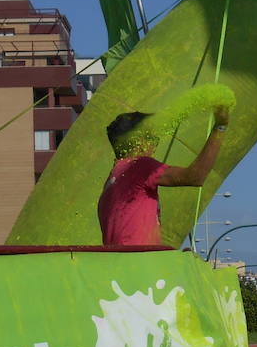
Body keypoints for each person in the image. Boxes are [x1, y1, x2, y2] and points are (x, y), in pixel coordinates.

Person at [98, 105, 230, 246]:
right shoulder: (140, 166)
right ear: (139, 143)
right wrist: (220, 127)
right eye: (152, 137)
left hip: (122, 263)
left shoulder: (111, 180)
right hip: (141, 263)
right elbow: (196, 176)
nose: (155, 144)